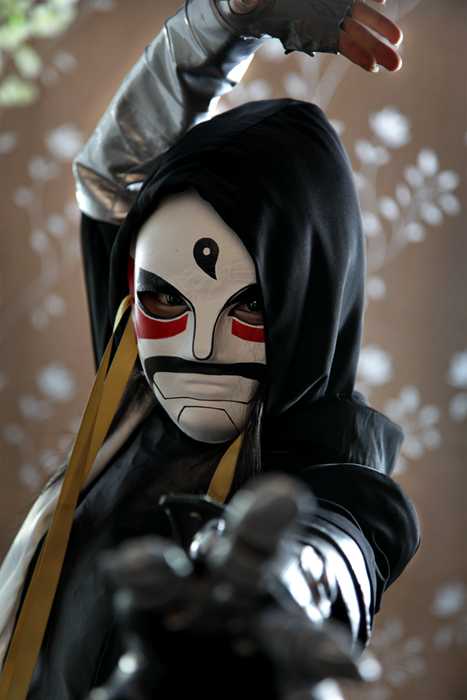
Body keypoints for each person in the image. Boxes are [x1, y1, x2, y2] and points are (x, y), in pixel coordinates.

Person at [0, 1, 420, 698]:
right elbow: (112, 182)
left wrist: (278, 583)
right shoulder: (137, 391)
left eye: (248, 306)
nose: (199, 347)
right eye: (166, 301)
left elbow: (339, 543)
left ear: (304, 307)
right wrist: (222, 20)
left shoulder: (333, 480)